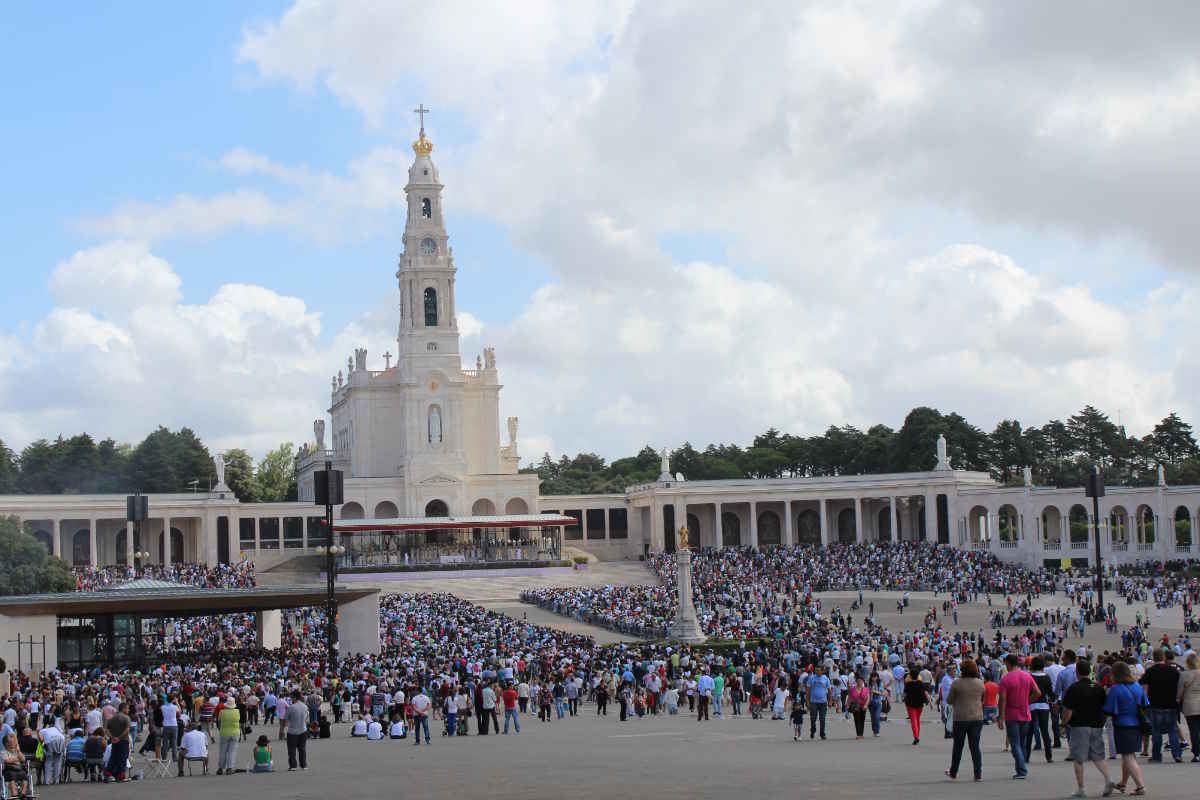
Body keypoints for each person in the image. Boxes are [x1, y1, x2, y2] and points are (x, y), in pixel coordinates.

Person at [1062, 659, 1115, 799]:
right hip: (1096, 725)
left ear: (1077, 672)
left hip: (1079, 725)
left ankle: (1081, 789)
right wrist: (1101, 722)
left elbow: (1068, 710)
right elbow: (1105, 709)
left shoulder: (1074, 688)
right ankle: (1108, 779)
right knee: (1098, 756)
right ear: (1090, 671)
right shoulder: (1098, 688)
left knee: (1078, 758)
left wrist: (1063, 724)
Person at [1103, 661, 1147, 796]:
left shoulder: (1116, 689)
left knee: (1128, 756)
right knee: (1129, 755)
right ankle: (1123, 783)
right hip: (1137, 725)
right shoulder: (1137, 686)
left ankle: (1140, 786)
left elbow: (1108, 710)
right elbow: (1145, 703)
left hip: (1123, 725)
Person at [998, 652, 1040, 779]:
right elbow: (1037, 692)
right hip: (1025, 713)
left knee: (1015, 744)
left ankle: (1021, 770)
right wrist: (1027, 701)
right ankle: (1020, 767)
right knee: (1021, 742)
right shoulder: (1027, 676)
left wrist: (1001, 717)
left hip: (1012, 714)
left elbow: (1002, 699)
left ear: (1007, 663)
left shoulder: (1005, 679)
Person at [945, 658, 985, 781]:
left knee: (958, 746)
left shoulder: (957, 683)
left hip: (960, 718)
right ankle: (978, 774)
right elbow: (983, 699)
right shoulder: (980, 683)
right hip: (977, 717)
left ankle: (953, 772)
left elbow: (949, 700)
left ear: (962, 670)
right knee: (975, 746)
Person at [1140, 648, 1183, 762]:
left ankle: (1156, 756)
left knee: (1156, 731)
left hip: (1155, 705)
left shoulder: (1150, 671)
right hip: (1171, 704)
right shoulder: (1173, 671)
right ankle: (1177, 754)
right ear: (1163, 657)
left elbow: (1143, 687)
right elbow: (1180, 686)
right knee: (1173, 730)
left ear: (1154, 658)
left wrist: (1145, 704)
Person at [1027, 656, 1055, 763]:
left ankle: (1026, 756)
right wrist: (1053, 701)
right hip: (1044, 706)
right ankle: (1049, 756)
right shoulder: (1046, 677)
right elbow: (1050, 692)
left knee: (1030, 732)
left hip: (1032, 705)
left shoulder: (1030, 677)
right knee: (1044, 731)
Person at [1178, 651, 1200, 762]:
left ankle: (1197, 753)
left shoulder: (1184, 675)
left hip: (1190, 706)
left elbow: (1179, 692)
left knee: (1194, 730)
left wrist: (1178, 700)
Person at [903, 665, 930, 745]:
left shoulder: (908, 684)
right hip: (920, 704)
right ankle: (917, 735)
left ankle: (916, 736)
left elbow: (905, 694)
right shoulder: (920, 683)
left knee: (913, 720)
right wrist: (928, 701)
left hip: (910, 704)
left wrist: (903, 699)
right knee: (917, 719)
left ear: (910, 675)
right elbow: (924, 693)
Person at [284, 689, 309, 770]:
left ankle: (293, 765)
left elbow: (286, 719)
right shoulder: (305, 706)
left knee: (292, 749)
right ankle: (303, 765)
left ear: (294, 697)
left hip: (292, 731)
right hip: (303, 729)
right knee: (302, 749)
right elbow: (306, 718)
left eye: (291, 697)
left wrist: (285, 729)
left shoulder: (291, 707)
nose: (291, 699)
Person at [216, 697, 241, 775]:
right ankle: (229, 768)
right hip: (235, 733)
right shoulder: (237, 711)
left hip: (224, 733)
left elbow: (219, 722)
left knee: (222, 751)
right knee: (232, 751)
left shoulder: (222, 712)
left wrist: (221, 729)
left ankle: (220, 768)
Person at [2, 732, 29, 799]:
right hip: (9, 770)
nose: (13, 743)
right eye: (11, 742)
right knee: (11, 776)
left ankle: (23, 793)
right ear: (6, 744)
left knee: (24, 775)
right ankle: (14, 794)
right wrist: (17, 759)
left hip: (19, 769)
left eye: (13, 742)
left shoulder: (16, 751)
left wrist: (18, 751)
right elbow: (7, 761)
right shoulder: (3, 752)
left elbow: (23, 759)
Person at [808, 665, 831, 740]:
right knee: (813, 718)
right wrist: (807, 701)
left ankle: (822, 734)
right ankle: (813, 730)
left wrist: (830, 701)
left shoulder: (826, 678)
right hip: (813, 702)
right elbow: (808, 690)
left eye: (818, 670)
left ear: (822, 671)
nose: (817, 671)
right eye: (816, 670)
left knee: (822, 719)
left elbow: (829, 691)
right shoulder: (811, 678)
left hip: (823, 702)